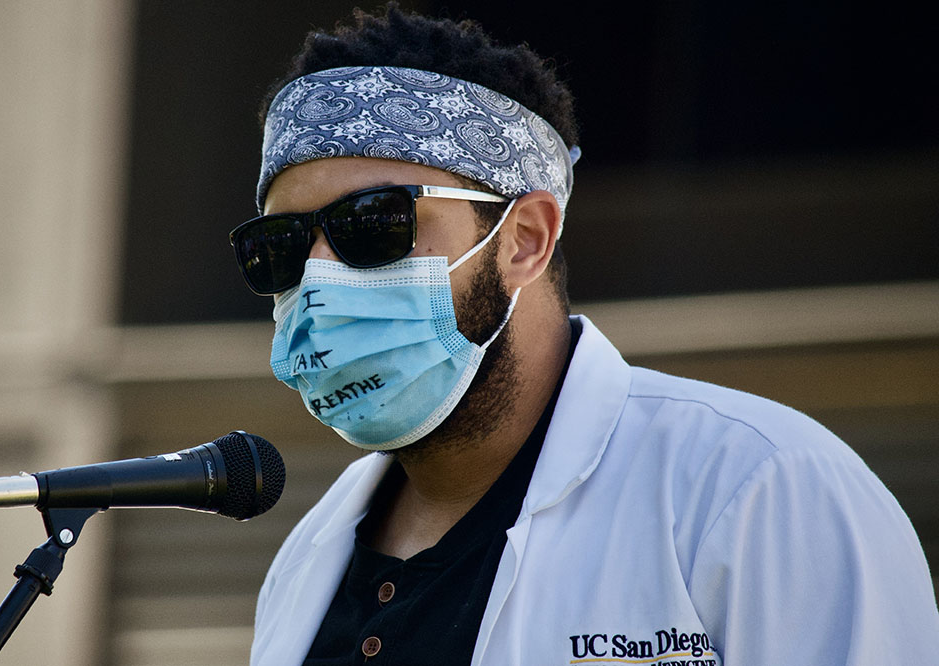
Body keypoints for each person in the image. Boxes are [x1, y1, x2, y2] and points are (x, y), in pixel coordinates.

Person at [230, 5, 939, 665]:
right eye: (282, 247)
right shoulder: (305, 563)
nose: (319, 278)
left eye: (374, 224)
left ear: (526, 239)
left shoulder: (758, 489)